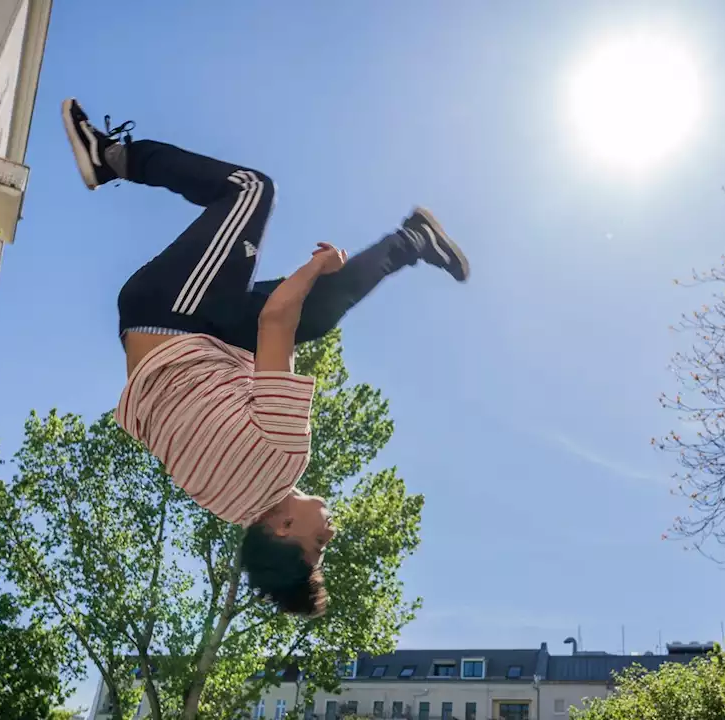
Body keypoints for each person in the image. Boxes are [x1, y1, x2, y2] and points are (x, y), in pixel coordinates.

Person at [60, 98, 469, 617]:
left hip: (175, 314)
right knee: (315, 319)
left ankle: (111, 157)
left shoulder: (282, 456)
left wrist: (316, 266)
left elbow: (277, 319)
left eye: (317, 546)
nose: (330, 535)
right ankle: (411, 240)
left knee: (252, 191)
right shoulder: (226, 504)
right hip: (181, 338)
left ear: (283, 528)